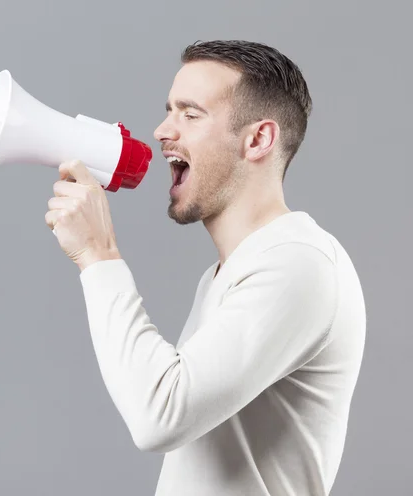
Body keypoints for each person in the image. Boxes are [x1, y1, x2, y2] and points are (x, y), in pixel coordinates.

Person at [44, 40, 366, 496]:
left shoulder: (300, 265)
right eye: (169, 110)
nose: (160, 130)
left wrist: (99, 256)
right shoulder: (228, 274)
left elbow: (161, 415)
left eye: (189, 114)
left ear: (258, 139)